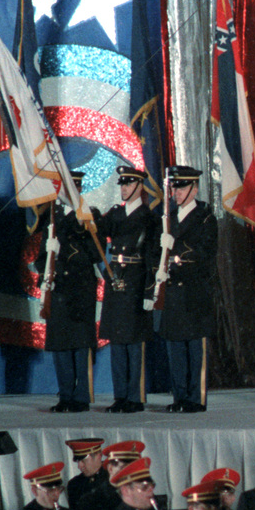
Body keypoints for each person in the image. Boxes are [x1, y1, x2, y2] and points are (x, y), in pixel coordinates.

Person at [153, 165, 218, 413]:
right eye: (174, 187)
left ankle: (195, 398)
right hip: (172, 293)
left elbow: (205, 254)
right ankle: (180, 395)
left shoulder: (205, 218)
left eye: (181, 187)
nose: (176, 192)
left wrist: (175, 252)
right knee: (176, 348)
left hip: (193, 293)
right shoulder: (168, 219)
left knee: (194, 349)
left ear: (194, 188)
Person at [98, 166, 158, 412]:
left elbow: (153, 257)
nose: (123, 189)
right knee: (118, 342)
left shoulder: (149, 217)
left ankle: (135, 396)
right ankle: (120, 395)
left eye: (128, 184)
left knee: (134, 343)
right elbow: (98, 235)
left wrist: (149, 291)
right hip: (117, 279)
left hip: (136, 281)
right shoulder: (115, 214)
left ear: (139, 186)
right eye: (121, 184)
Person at [41, 171, 102, 413]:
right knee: (61, 346)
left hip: (80, 291)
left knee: (80, 345)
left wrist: (81, 229)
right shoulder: (53, 219)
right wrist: (48, 252)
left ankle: (81, 397)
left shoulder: (89, 216)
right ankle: (65, 395)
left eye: (72, 188)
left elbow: (96, 254)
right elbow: (40, 261)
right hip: (59, 292)